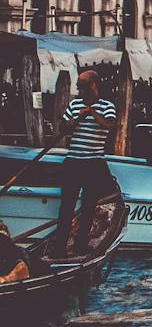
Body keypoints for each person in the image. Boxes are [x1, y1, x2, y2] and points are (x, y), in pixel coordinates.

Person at [50, 60, 119, 256]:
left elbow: (110, 125)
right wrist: (79, 117)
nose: (79, 91)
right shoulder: (74, 104)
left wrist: (91, 112)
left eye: (82, 87)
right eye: (78, 87)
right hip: (74, 161)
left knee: (89, 206)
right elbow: (63, 127)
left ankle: (80, 246)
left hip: (93, 162)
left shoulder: (107, 106)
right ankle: (59, 249)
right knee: (67, 206)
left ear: (93, 85)